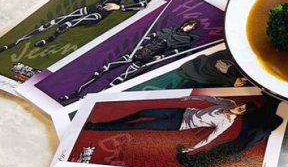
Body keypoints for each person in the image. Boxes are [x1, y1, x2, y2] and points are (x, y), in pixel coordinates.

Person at [0, 0, 149, 51]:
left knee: (68, 24)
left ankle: (48, 40)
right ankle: (14, 44)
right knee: (54, 22)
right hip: (91, 7)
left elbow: (143, 5)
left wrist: (120, 8)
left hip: (99, 14)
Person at [72, 19, 203, 96]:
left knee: (119, 80)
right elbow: (151, 35)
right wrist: (141, 45)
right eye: (189, 24)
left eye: (192, 27)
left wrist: (162, 56)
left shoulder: (185, 39)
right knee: (105, 68)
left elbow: (177, 51)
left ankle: (94, 96)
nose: (189, 28)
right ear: (185, 23)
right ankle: (78, 91)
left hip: (149, 59)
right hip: (138, 52)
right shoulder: (170, 29)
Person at [85, 95, 249, 153]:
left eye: (241, 109)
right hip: (180, 112)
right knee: (142, 113)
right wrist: (190, 98)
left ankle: (96, 127)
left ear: (242, 114)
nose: (238, 107)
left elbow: (210, 138)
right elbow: (209, 99)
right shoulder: (228, 103)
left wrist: (191, 149)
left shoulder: (226, 123)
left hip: (178, 124)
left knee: (137, 126)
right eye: (240, 105)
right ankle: (114, 122)